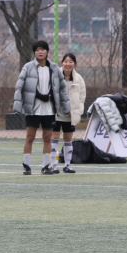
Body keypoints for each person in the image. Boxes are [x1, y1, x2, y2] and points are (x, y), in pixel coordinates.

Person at [13, 40, 71, 175]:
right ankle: (27, 166)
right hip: (32, 109)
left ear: (47, 51)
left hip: (49, 110)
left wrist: (64, 106)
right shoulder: (28, 67)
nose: (40, 52)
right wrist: (18, 105)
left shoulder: (55, 68)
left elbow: (62, 88)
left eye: (42, 49)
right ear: (34, 52)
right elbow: (20, 86)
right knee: (30, 137)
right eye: (37, 49)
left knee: (47, 137)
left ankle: (46, 166)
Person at [51, 52, 86, 174]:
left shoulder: (79, 79)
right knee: (54, 138)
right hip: (56, 113)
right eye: (66, 61)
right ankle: (53, 165)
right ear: (62, 63)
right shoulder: (55, 76)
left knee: (68, 139)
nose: (68, 64)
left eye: (71, 62)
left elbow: (82, 97)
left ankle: (67, 165)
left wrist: (79, 111)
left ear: (75, 64)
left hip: (70, 115)